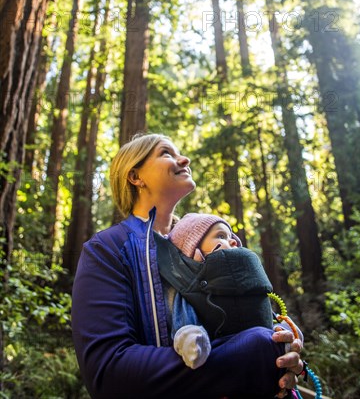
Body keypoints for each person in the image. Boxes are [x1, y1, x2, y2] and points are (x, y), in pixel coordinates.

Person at [72, 133, 303, 399]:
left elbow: (246, 324)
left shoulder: (203, 242)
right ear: (136, 177)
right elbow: (107, 372)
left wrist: (284, 353)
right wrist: (249, 354)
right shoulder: (107, 249)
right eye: (166, 153)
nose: (185, 159)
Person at [164, 213, 303, 377]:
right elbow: (183, 315)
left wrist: (284, 331)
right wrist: (191, 337)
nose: (233, 241)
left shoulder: (250, 279)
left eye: (231, 237)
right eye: (221, 236)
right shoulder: (188, 292)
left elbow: (265, 316)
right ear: (193, 251)